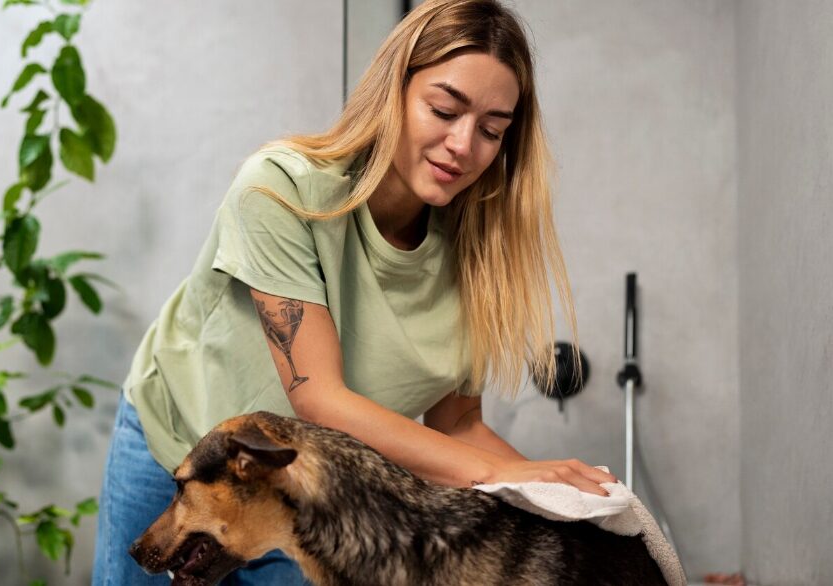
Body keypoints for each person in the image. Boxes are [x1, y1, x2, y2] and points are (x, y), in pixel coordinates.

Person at [92, 1, 616, 584]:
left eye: (492, 130)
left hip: (305, 493)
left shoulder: (475, 254)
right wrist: (512, 476)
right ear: (394, 91)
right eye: (444, 110)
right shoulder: (281, 189)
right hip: (176, 444)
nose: (464, 145)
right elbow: (320, 399)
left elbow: (457, 425)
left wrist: (563, 496)